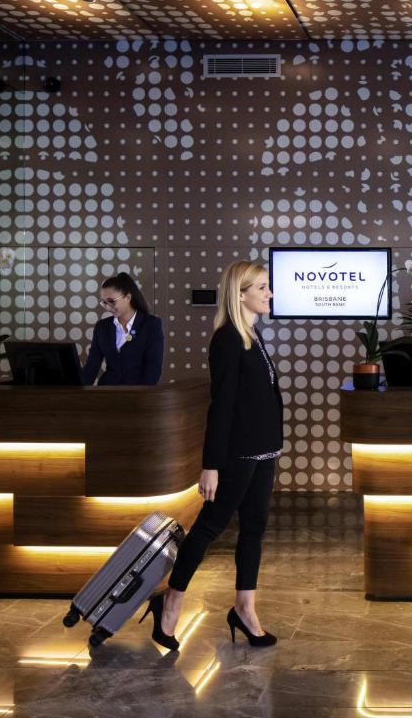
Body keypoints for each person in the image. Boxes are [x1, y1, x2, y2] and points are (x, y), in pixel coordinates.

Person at [143, 261, 283, 650]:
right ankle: (171, 601)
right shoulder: (226, 339)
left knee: (254, 530)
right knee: (208, 528)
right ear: (240, 294)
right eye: (263, 287)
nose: (269, 293)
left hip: (264, 452)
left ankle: (245, 609)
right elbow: (220, 406)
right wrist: (211, 464)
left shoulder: (252, 335)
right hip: (237, 454)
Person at [81, 272, 164, 385]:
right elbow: (92, 366)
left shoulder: (151, 325)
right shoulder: (102, 327)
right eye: (104, 302)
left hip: (138, 395)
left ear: (128, 297)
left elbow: (153, 369)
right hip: (107, 393)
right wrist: (75, 392)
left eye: (111, 301)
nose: (107, 307)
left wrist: (140, 396)